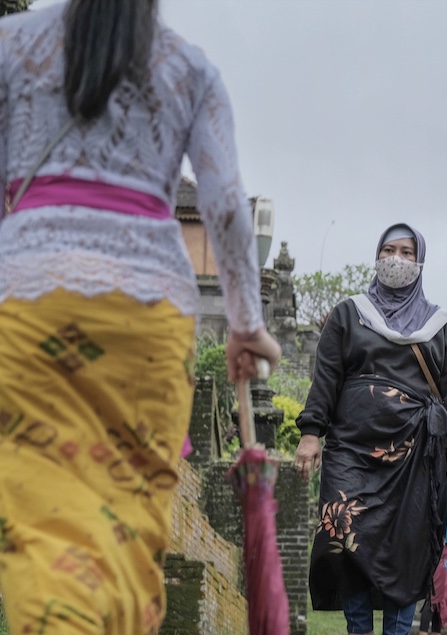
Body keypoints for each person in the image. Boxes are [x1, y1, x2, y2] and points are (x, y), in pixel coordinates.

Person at [0, 2, 281, 634]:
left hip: (31, 303)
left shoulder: (9, 46)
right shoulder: (190, 68)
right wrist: (244, 322)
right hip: (150, 321)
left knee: (42, 515)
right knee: (132, 520)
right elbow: (229, 210)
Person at [293, 222, 447, 635]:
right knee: (344, 539)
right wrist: (311, 433)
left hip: (416, 457)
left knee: (407, 549)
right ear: (377, 256)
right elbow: (326, 377)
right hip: (350, 451)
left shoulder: (442, 326)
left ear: (420, 261)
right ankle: (358, 629)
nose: (396, 259)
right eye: (389, 250)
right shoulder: (349, 313)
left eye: (407, 252)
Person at [418, 541, 447, 635]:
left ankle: (436, 632)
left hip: (443, 575)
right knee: (431, 602)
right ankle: (423, 632)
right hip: (434, 572)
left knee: (438, 606)